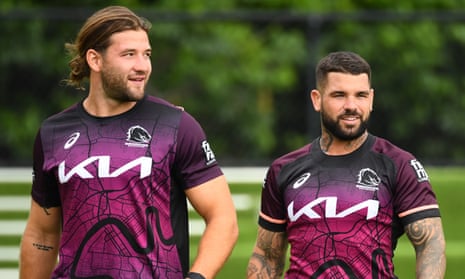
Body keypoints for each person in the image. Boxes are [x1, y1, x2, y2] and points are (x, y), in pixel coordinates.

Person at [19, 6, 238, 279]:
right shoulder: (53, 133)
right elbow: (42, 232)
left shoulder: (177, 126)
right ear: (95, 60)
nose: (142, 66)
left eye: (146, 54)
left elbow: (223, 219)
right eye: (128, 55)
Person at [247, 51, 446, 278]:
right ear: (317, 99)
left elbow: (431, 244)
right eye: (339, 95)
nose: (351, 105)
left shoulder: (399, 164)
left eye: (360, 95)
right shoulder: (284, 170)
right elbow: (266, 255)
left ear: (371, 99)